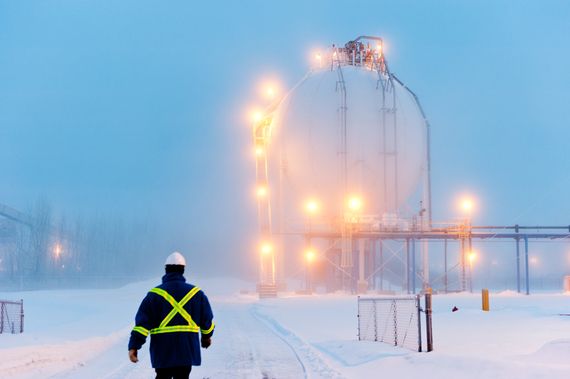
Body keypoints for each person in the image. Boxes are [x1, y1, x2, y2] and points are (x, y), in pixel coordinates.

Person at [128, 251, 215, 379]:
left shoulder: (154, 295)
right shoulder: (197, 294)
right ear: (183, 270)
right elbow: (206, 320)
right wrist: (206, 337)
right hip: (186, 351)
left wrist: (134, 346)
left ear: (166, 270)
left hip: (162, 352)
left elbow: (142, 325)